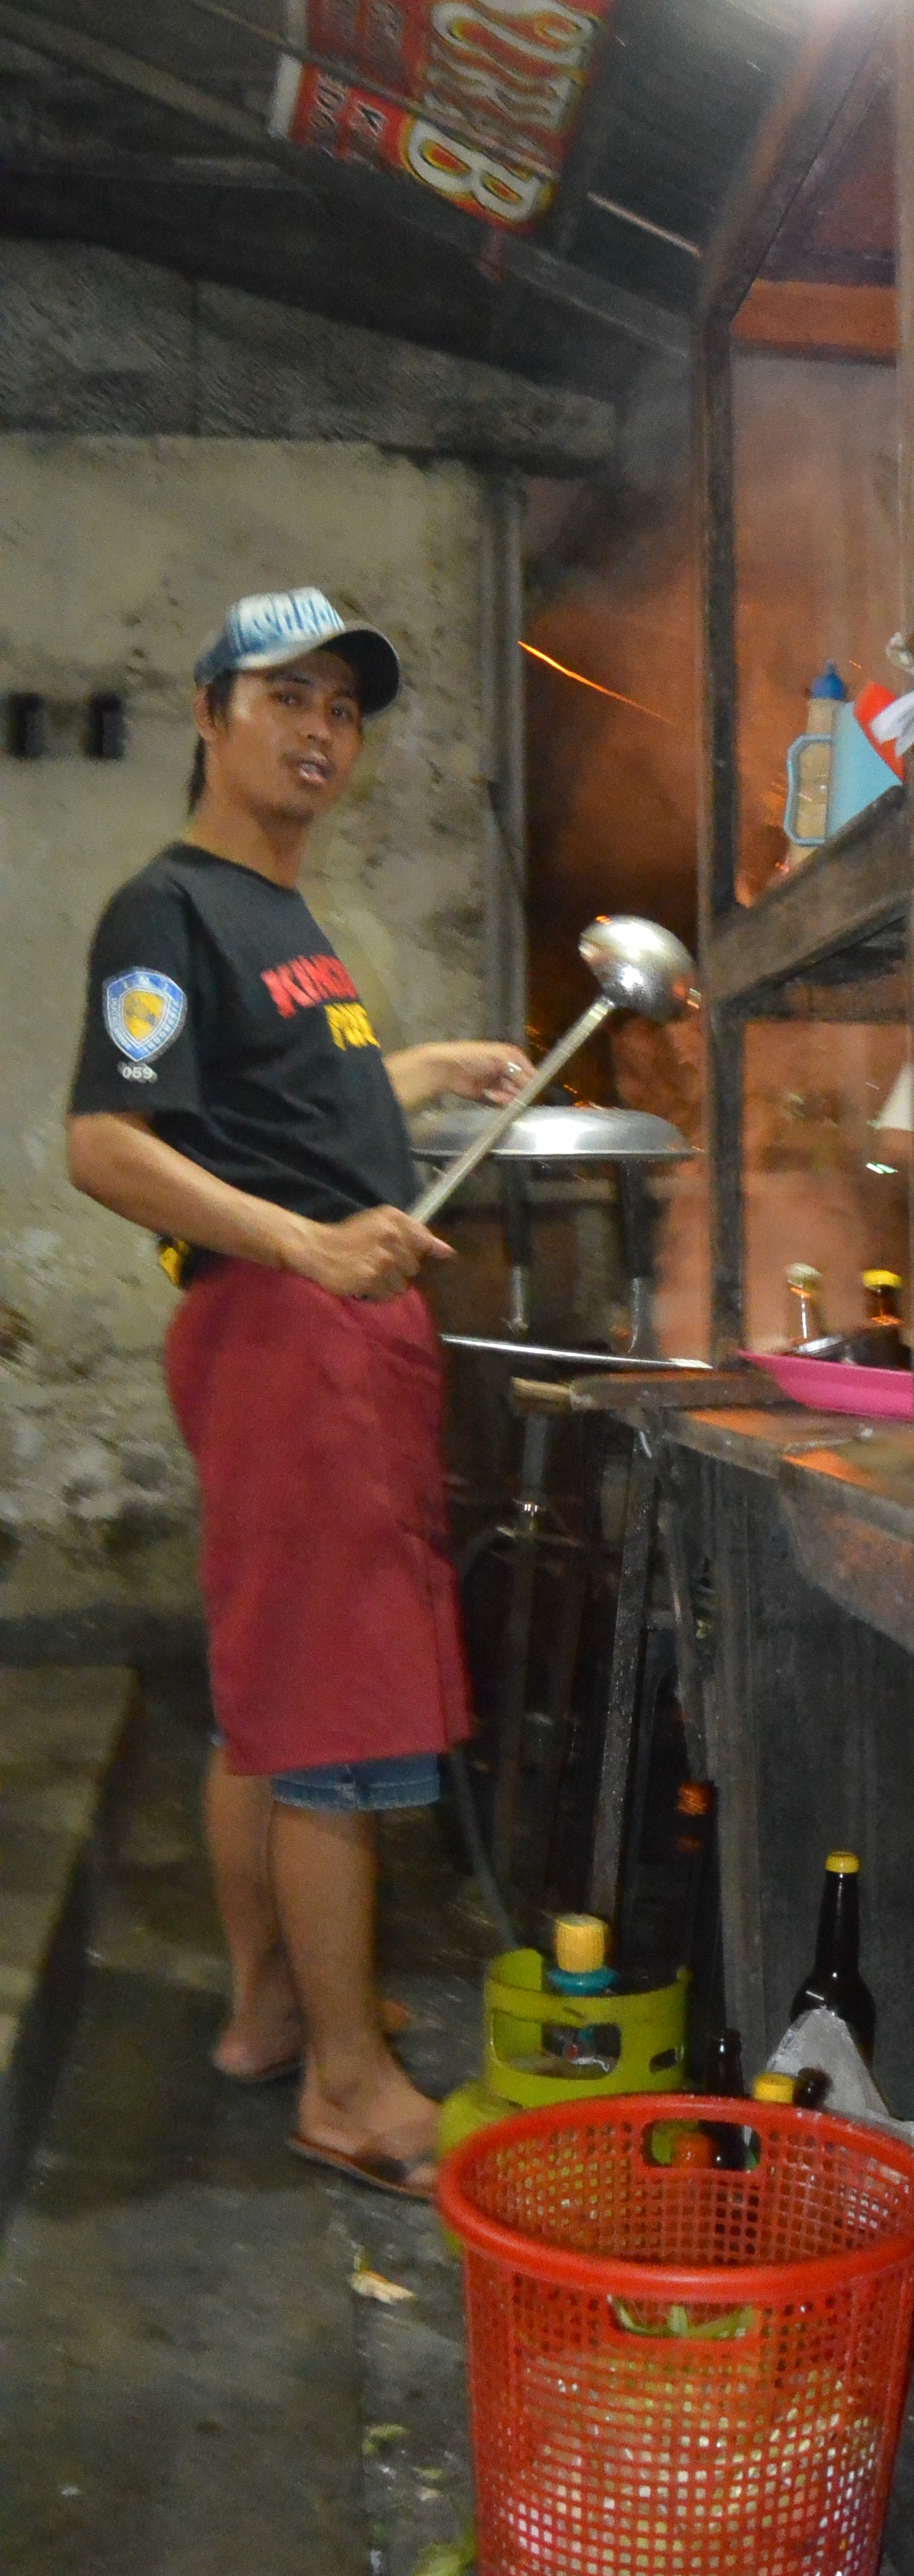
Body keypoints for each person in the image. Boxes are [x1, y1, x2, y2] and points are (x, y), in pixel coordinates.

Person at [65, 587, 530, 2200]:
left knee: (267, 1701)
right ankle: (347, 2085)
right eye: (287, 698)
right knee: (336, 1711)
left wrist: (426, 1068)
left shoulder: (288, 924)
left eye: (343, 707)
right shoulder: (169, 908)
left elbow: (289, 1105)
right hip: (287, 1334)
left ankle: (273, 2010)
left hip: (324, 1328)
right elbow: (109, 1142)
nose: (322, 731)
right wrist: (310, 1248)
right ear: (210, 714)